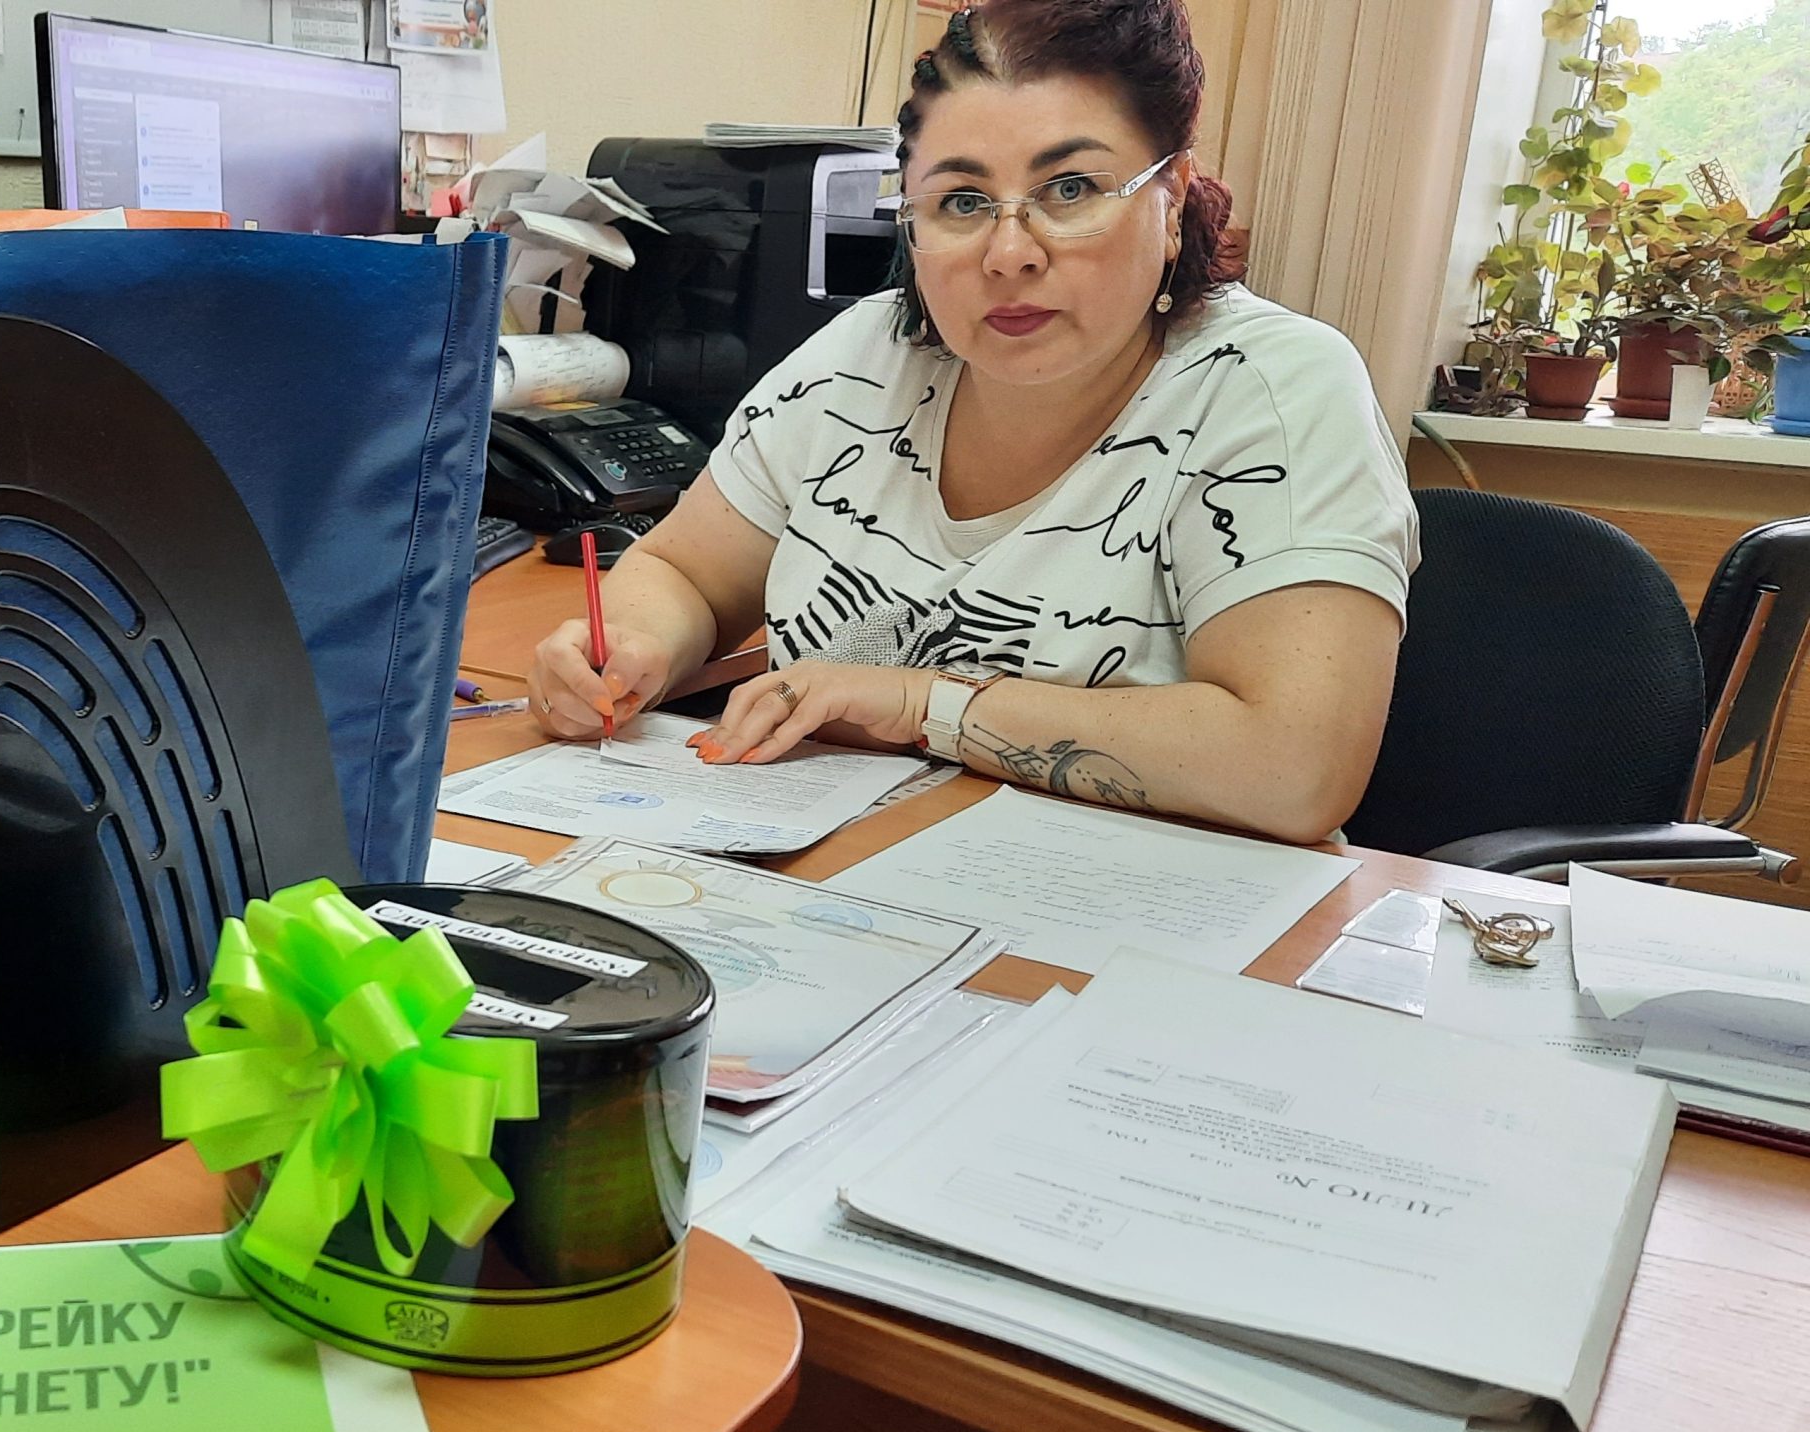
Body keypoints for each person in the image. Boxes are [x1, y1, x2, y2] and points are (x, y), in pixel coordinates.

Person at [524, 0, 1416, 845]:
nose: (1009, 252)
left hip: (1151, 920)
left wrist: (922, 704)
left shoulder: (1273, 387)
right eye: (960, 201)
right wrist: (631, 647)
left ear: (1172, 198)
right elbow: (684, 570)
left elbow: (1294, 767)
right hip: (838, 873)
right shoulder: (865, 355)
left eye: (1071, 189)